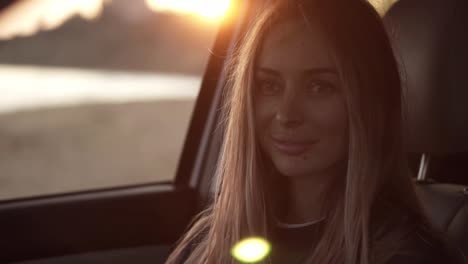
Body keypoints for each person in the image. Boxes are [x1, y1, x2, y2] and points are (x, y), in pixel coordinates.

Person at [166, 0, 465, 263]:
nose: (287, 114)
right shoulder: (211, 237)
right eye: (270, 86)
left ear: (371, 101)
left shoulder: (407, 255)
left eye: (319, 87)